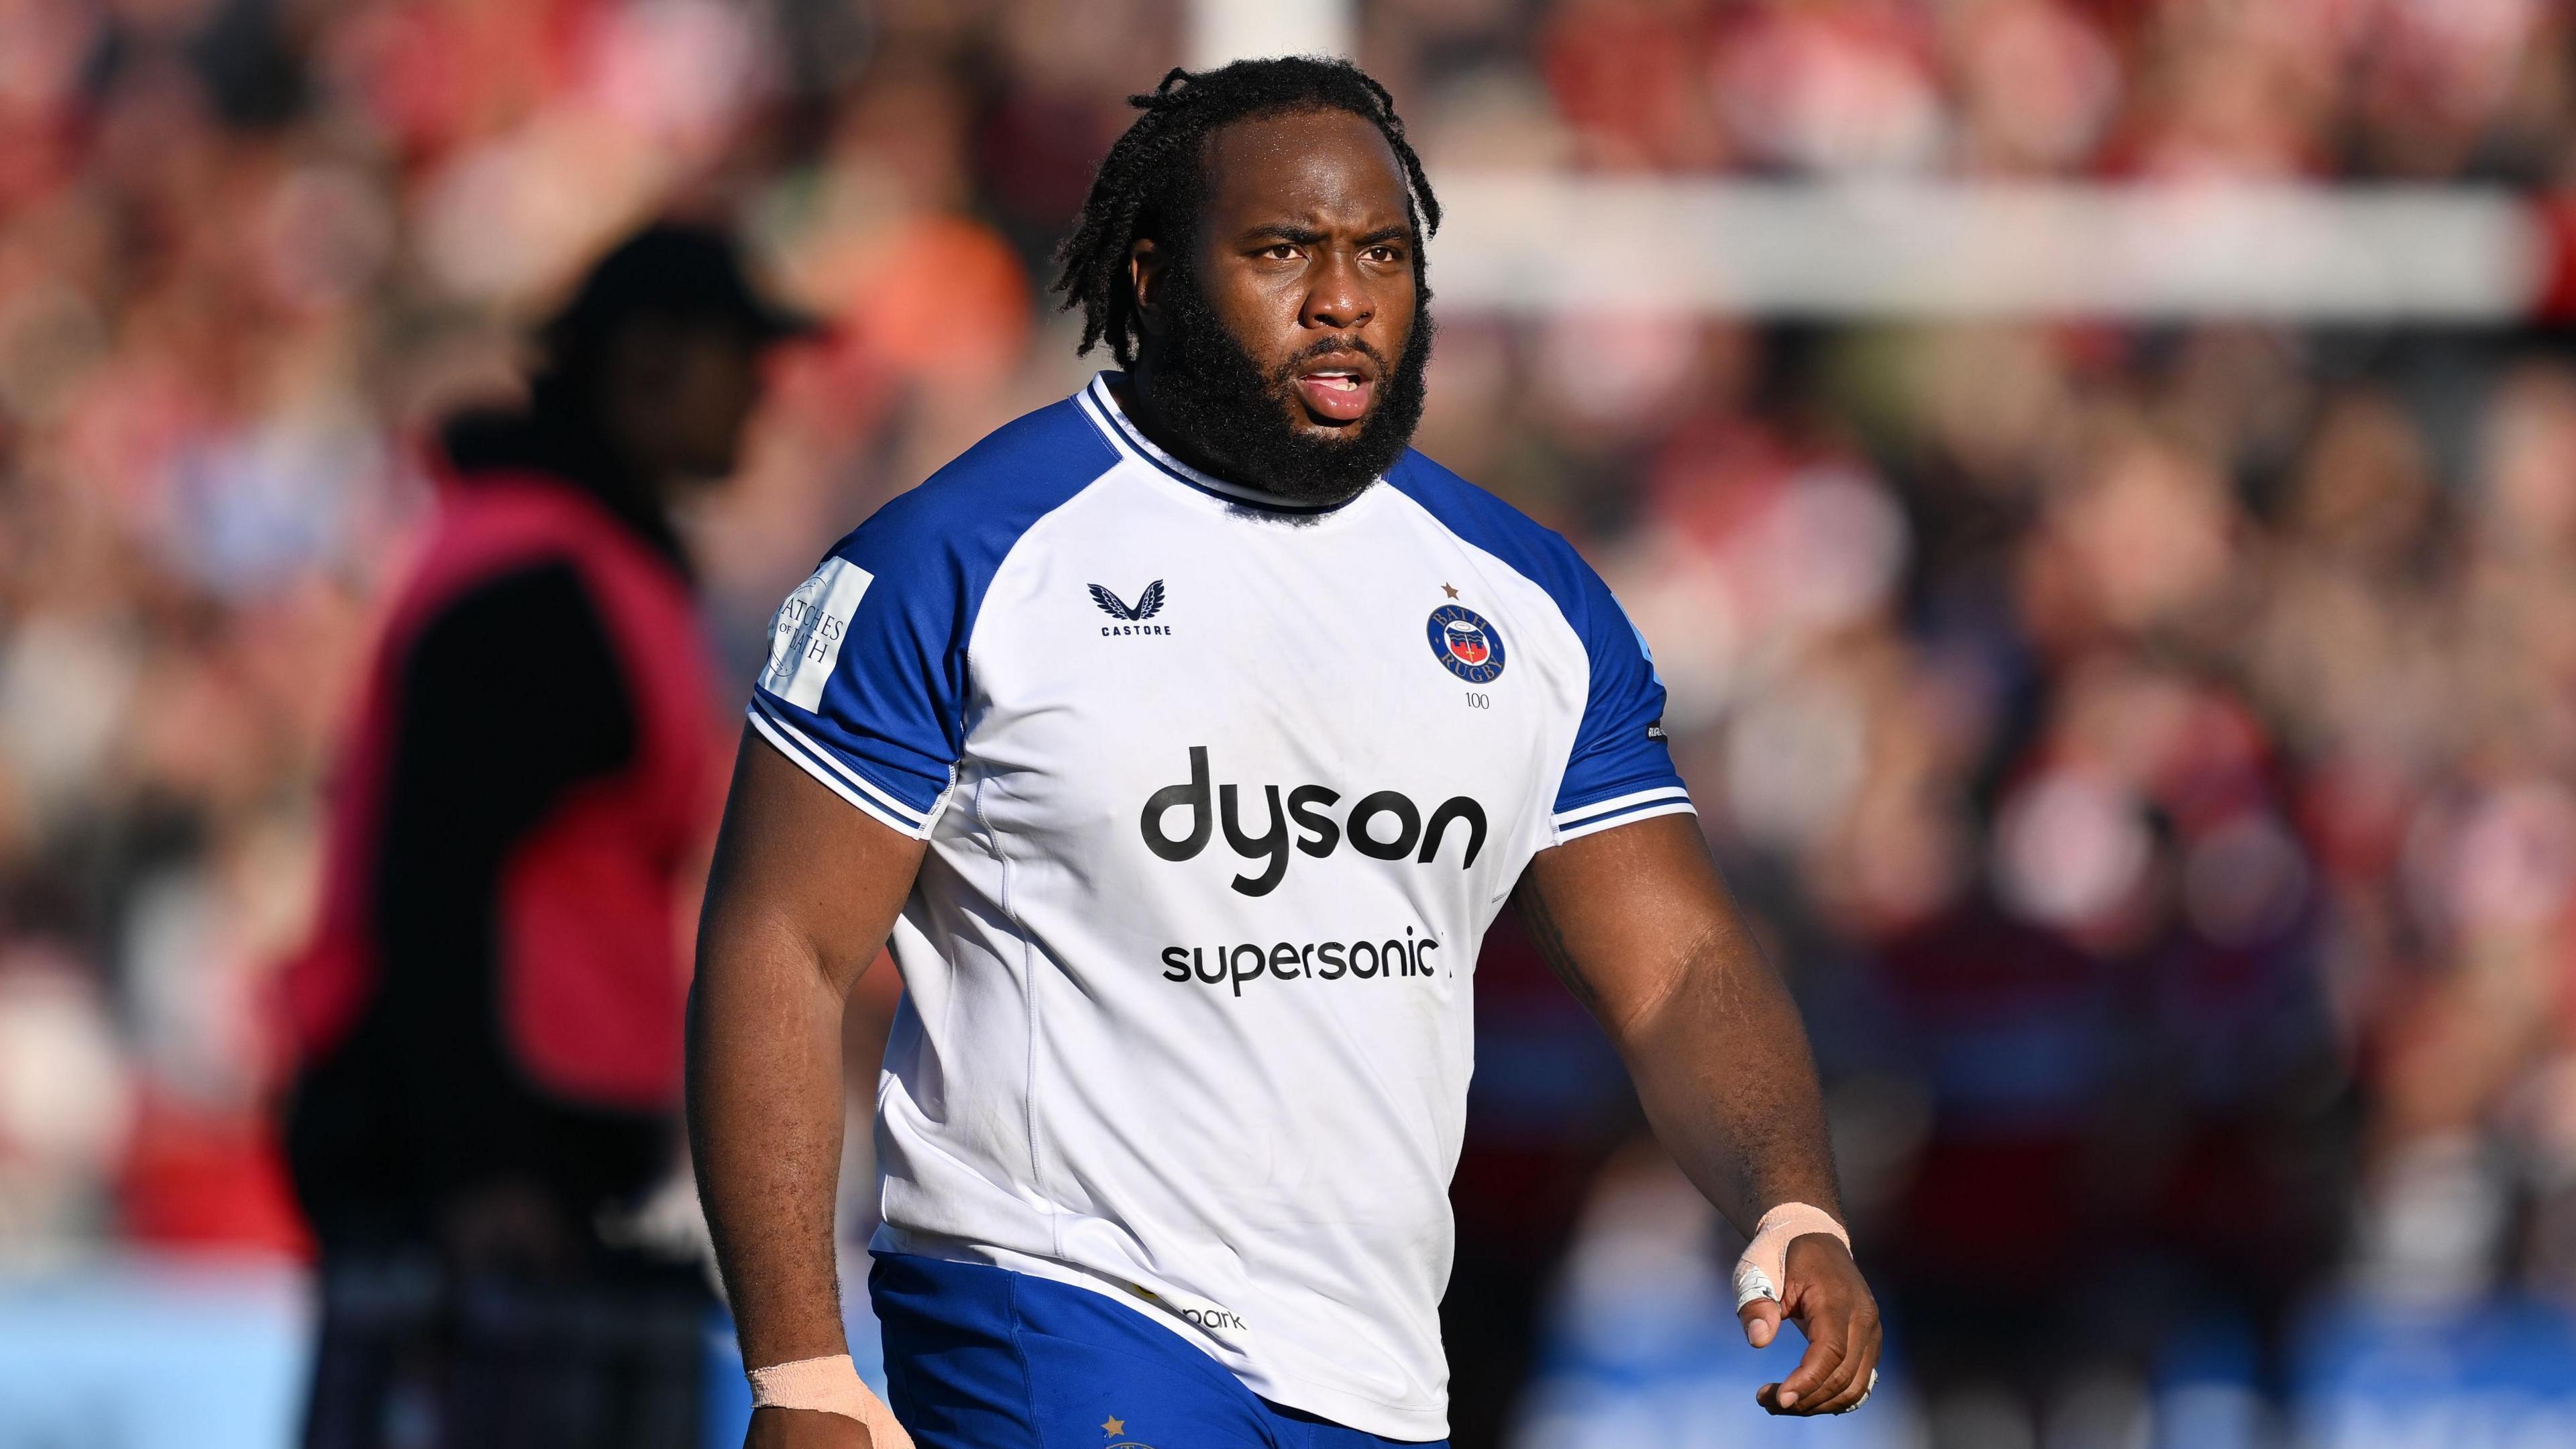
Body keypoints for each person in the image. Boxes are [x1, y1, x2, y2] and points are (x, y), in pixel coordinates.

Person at [688, 58, 1880, 1449]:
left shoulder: (1525, 601)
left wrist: (1792, 1197)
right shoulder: (958, 562)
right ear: (1149, 277)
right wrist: (802, 1368)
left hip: (1373, 1366)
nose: (1342, 296)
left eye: (1383, 253)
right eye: (1280, 251)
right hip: (1057, 1318)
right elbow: (782, 944)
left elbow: (1677, 965)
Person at [279, 223, 813, 1449]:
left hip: (505, 1166)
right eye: (746, 364)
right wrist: (479, 1164)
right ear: (650, 364)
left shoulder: (567, 556)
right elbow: (437, 881)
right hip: (480, 1177)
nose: (768, 400)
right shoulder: (546, 582)